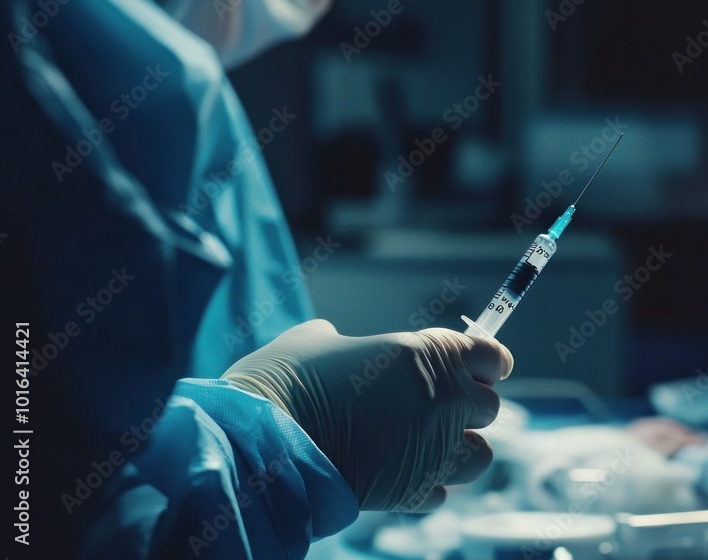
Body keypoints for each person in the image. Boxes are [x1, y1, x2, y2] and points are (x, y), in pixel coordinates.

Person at [0, 0, 513, 557]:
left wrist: (294, 459)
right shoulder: (55, 82)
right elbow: (44, 509)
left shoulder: (177, 83)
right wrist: (271, 443)